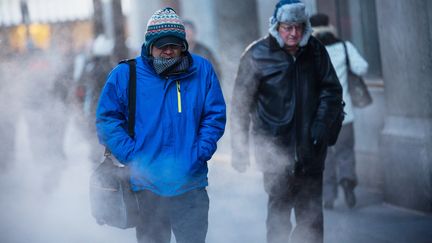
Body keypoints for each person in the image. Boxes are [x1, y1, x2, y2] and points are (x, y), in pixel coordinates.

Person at [96, 7, 226, 243]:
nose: (168, 51)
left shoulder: (202, 70)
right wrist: (133, 156)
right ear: (149, 45)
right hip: (146, 189)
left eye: (174, 45)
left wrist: (199, 152)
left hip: (190, 185)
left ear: (183, 45)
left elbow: (214, 115)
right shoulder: (126, 74)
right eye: (161, 45)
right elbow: (107, 119)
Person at [230, 1, 343, 243]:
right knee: (278, 220)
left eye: (299, 27)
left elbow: (332, 91)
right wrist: (239, 150)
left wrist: (322, 123)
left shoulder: (316, 51)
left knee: (311, 222)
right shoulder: (256, 54)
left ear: (306, 27)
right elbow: (240, 105)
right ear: (275, 26)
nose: (293, 33)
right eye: (287, 27)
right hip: (274, 155)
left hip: (311, 152)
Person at [310, 13, 369, 209]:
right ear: (330, 25)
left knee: (324, 156)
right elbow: (362, 67)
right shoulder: (344, 47)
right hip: (345, 113)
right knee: (345, 151)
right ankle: (347, 180)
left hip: (318, 116)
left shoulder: (309, 51)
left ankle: (328, 196)